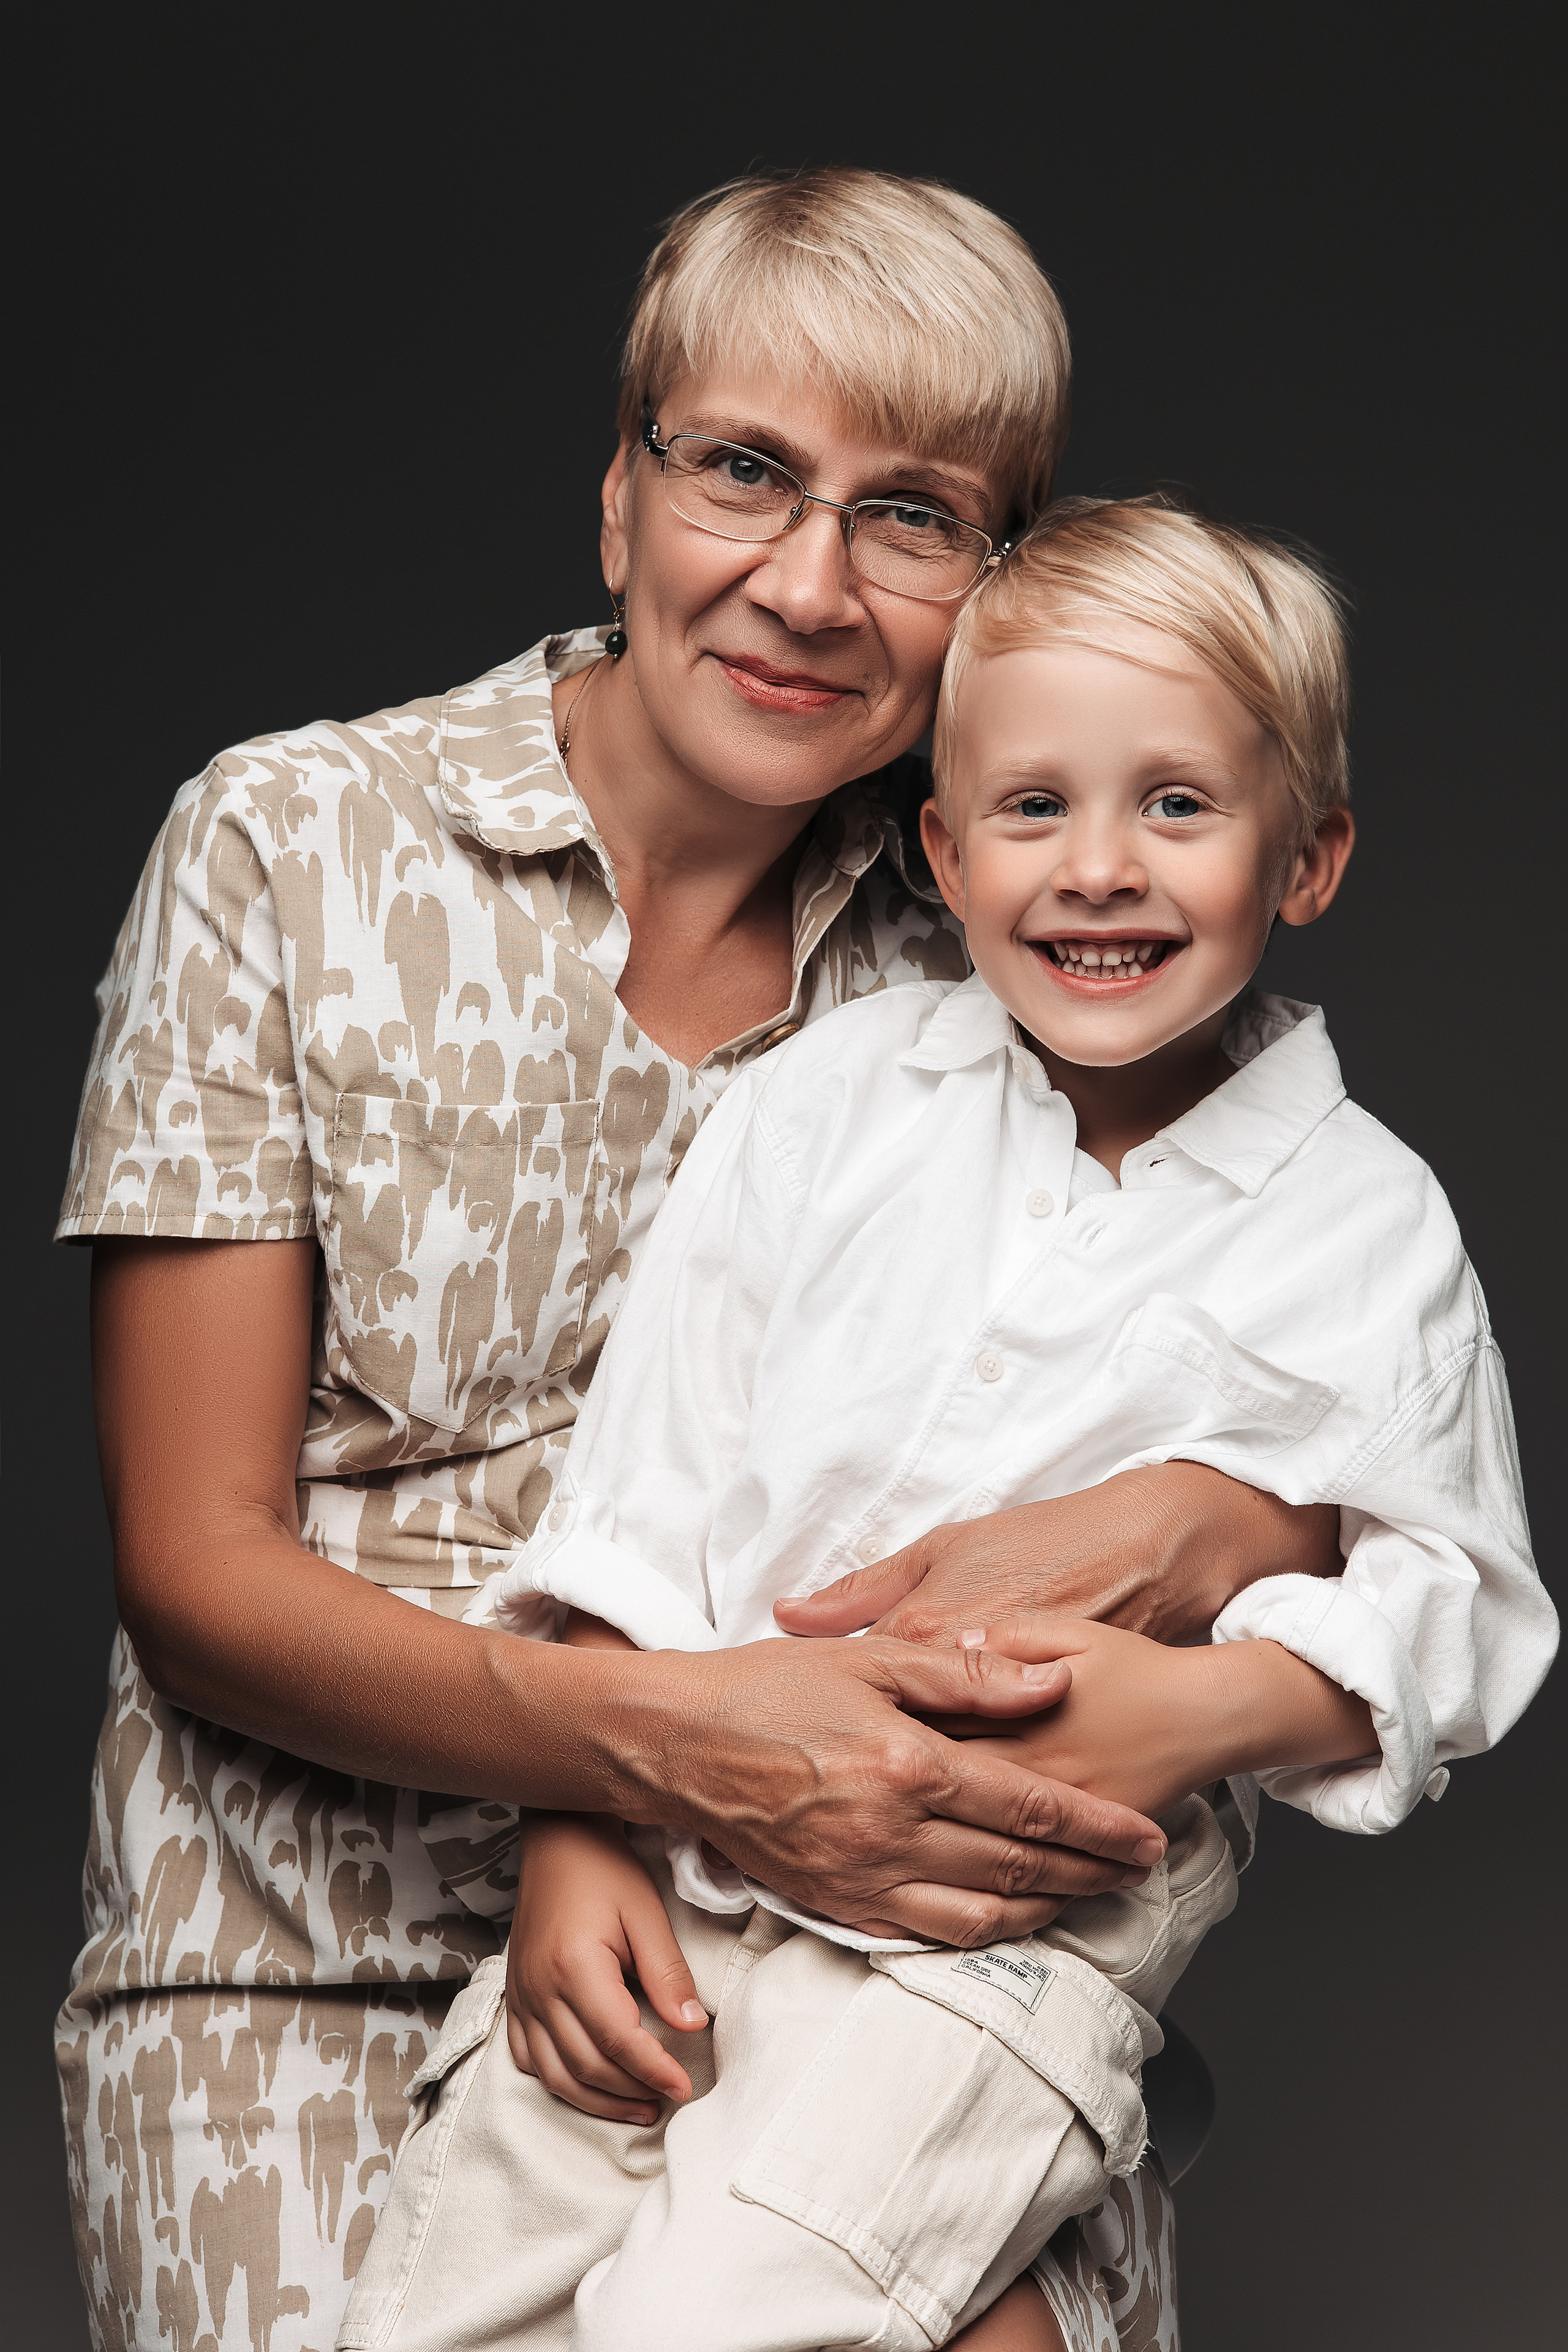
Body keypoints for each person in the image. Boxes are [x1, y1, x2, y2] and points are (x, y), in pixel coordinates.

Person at [58, 172, 1354, 2352]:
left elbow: (1332, 1375)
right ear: (619, 497)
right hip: (301, 1958)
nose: (808, 586)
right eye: (744, 470)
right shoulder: (291, 846)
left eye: (912, 517)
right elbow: (194, 1570)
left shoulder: (1018, 924)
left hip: (865, 1957)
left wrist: (1200, 1525)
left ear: (998, 585)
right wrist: (648, 1751)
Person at [335, 499, 1553, 2352]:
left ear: (1307, 857)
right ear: (947, 850)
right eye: (1036, 807)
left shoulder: (1366, 1227)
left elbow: (1458, 1601)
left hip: (1006, 1933)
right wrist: (579, 1833)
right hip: (686, 1847)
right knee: (434, 2306)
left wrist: (1214, 1710)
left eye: (1178, 805)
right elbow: (644, 1490)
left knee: (717, 2327)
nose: (1100, 869)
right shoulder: (820, 1107)